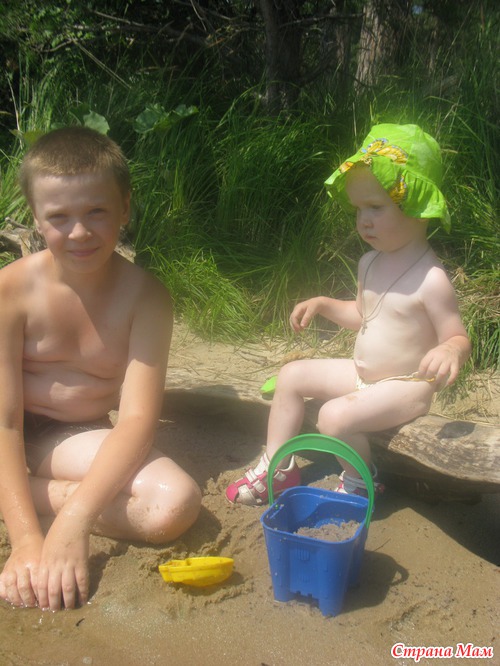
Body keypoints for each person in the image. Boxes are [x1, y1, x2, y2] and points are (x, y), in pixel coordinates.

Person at [0, 126, 202, 611]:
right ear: (35, 218)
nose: (79, 232)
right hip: (12, 430)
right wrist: (26, 539)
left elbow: (137, 421)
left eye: (96, 212)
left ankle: (28, 495)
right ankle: (18, 502)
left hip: (70, 436)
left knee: (173, 504)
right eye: (59, 217)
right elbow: (5, 420)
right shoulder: (10, 291)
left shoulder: (147, 299)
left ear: (124, 208)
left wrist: (74, 522)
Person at [226, 123, 471, 506]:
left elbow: (457, 336)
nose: (364, 220)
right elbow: (363, 314)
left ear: (418, 207)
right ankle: (279, 464)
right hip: (362, 376)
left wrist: (451, 350)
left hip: (407, 385)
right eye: (359, 209)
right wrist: (325, 304)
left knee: (333, 417)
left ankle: (361, 482)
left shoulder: (431, 279)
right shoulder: (369, 262)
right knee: (290, 375)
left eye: (376, 207)